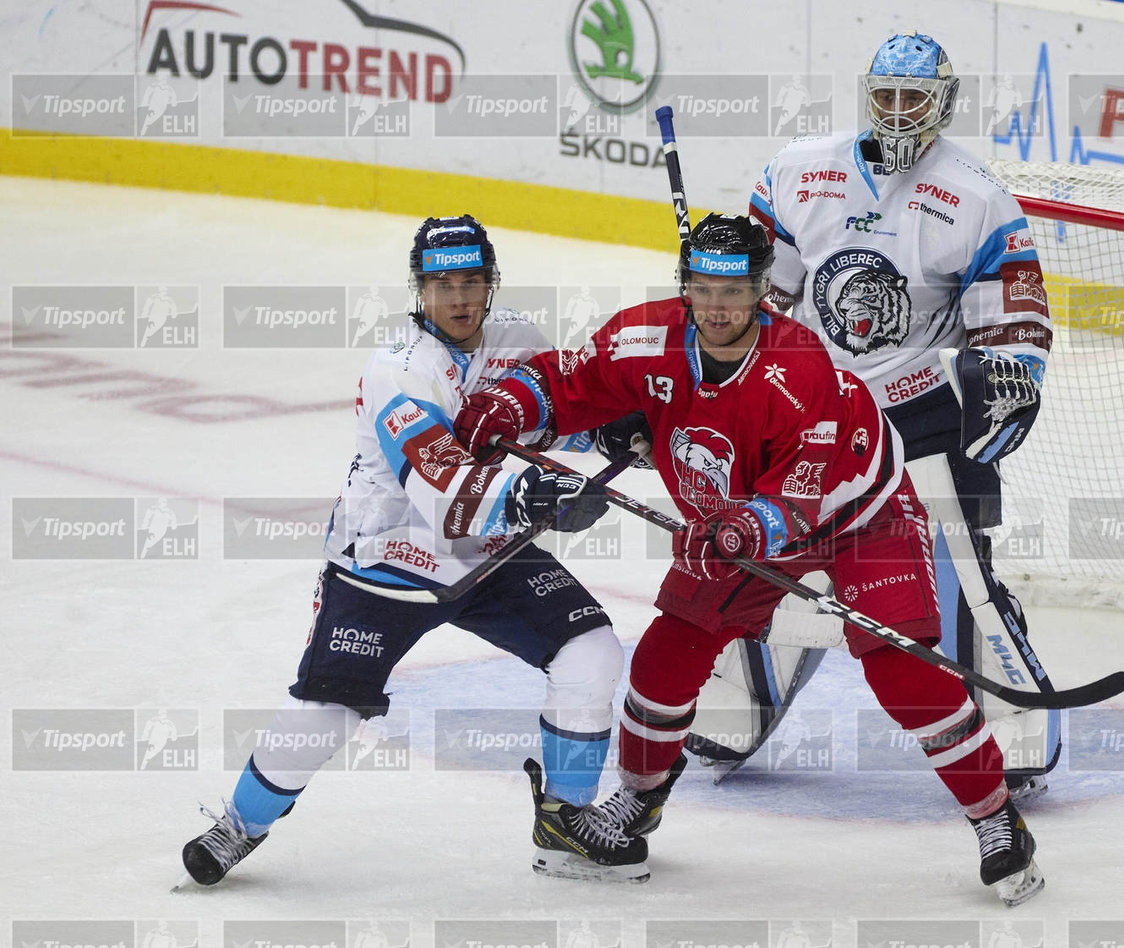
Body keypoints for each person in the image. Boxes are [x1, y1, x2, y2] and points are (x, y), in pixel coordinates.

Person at [455, 213, 1044, 906]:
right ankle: (639, 801)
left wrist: (741, 529)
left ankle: (996, 819)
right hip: (732, 524)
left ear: (764, 289)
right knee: (663, 664)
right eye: (702, 289)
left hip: (860, 512)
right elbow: (565, 382)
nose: (716, 307)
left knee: (902, 672)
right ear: (685, 286)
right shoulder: (645, 335)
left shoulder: (801, 367)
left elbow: (796, 498)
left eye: (733, 292)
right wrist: (508, 402)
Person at [179, 215, 648, 887]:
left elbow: (552, 418)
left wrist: (614, 435)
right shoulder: (397, 370)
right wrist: (531, 495)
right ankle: (239, 825)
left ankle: (563, 819)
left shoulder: (516, 338)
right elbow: (436, 482)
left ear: (492, 284)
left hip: (485, 551)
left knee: (591, 650)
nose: (459, 298)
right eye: (442, 284)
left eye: (472, 281)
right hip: (388, 556)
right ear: (419, 290)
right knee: (329, 709)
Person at [747, 31, 1060, 795]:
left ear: (942, 103)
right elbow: (763, 297)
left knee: (958, 580)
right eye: (883, 95)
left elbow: (1015, 321)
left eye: (911, 98)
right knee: (755, 555)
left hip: (924, 415)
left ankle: (1007, 732)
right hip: (811, 411)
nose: (895, 112)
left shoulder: (978, 197)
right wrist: (721, 306)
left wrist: (1009, 380)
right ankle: (733, 699)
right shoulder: (799, 171)